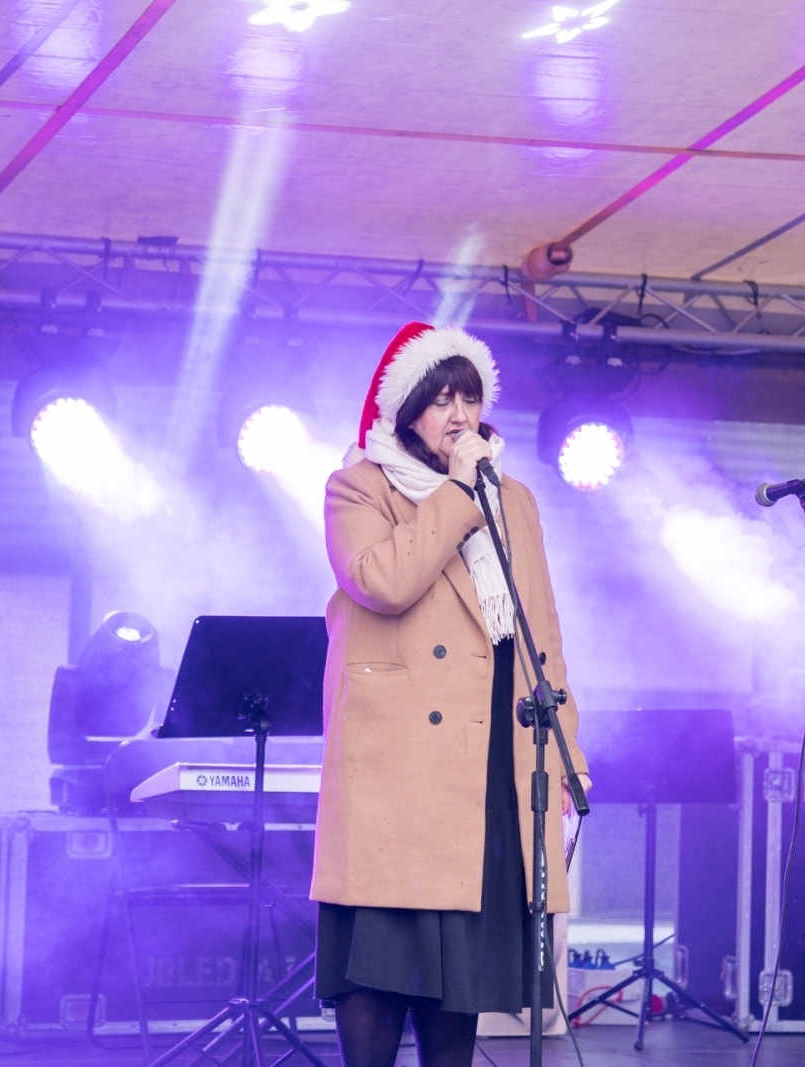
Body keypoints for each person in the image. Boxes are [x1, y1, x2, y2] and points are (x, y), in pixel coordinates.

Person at [312, 321, 590, 1067]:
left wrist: (566, 755)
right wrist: (458, 492)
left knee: (458, 973)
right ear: (408, 413)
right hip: (395, 764)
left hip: (488, 751)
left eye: (469, 398)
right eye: (441, 401)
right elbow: (383, 581)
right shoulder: (359, 486)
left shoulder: (514, 499)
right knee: (380, 961)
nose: (460, 415)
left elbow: (541, 634)